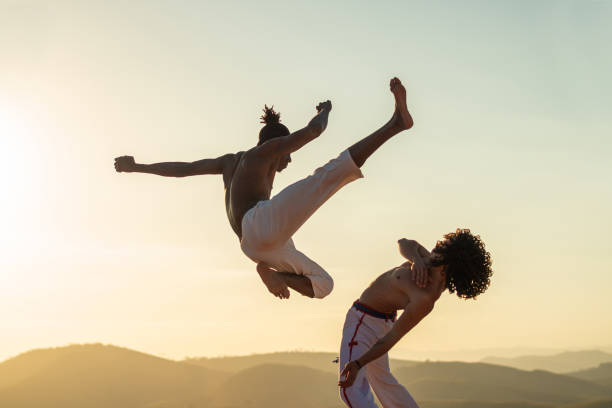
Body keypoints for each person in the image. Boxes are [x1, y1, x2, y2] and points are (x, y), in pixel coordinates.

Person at [115, 78, 413, 300]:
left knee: (324, 284)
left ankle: (267, 272)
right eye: (287, 154)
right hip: (259, 226)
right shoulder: (266, 152)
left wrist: (138, 167)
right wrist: (326, 110)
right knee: (328, 176)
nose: (289, 159)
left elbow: (183, 169)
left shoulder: (230, 162)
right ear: (275, 146)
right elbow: (314, 131)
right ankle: (395, 124)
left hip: (254, 245)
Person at [338, 230, 493, 408]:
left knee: (350, 390)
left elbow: (393, 337)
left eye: (444, 246)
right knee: (384, 381)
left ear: (451, 262)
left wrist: (358, 364)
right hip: (379, 320)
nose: (438, 244)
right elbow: (403, 242)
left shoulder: (426, 298)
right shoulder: (428, 260)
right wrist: (416, 259)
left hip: (363, 320)